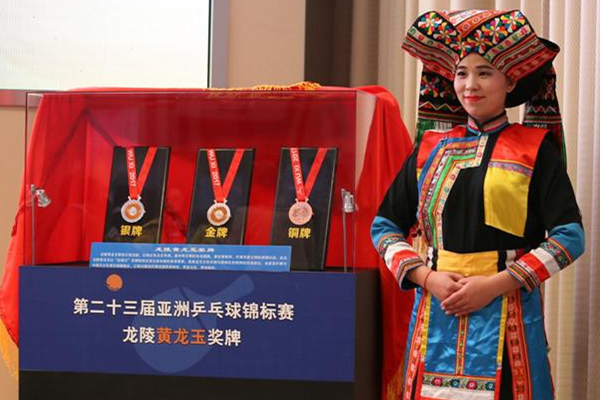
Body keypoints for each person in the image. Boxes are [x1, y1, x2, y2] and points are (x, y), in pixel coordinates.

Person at [371, 10, 585, 400]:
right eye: (462, 73)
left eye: (485, 72)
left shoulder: (534, 150)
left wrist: (496, 285)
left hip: (509, 310)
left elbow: (570, 238)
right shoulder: (429, 149)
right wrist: (427, 277)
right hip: (436, 307)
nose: (470, 84)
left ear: (509, 81)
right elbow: (384, 226)